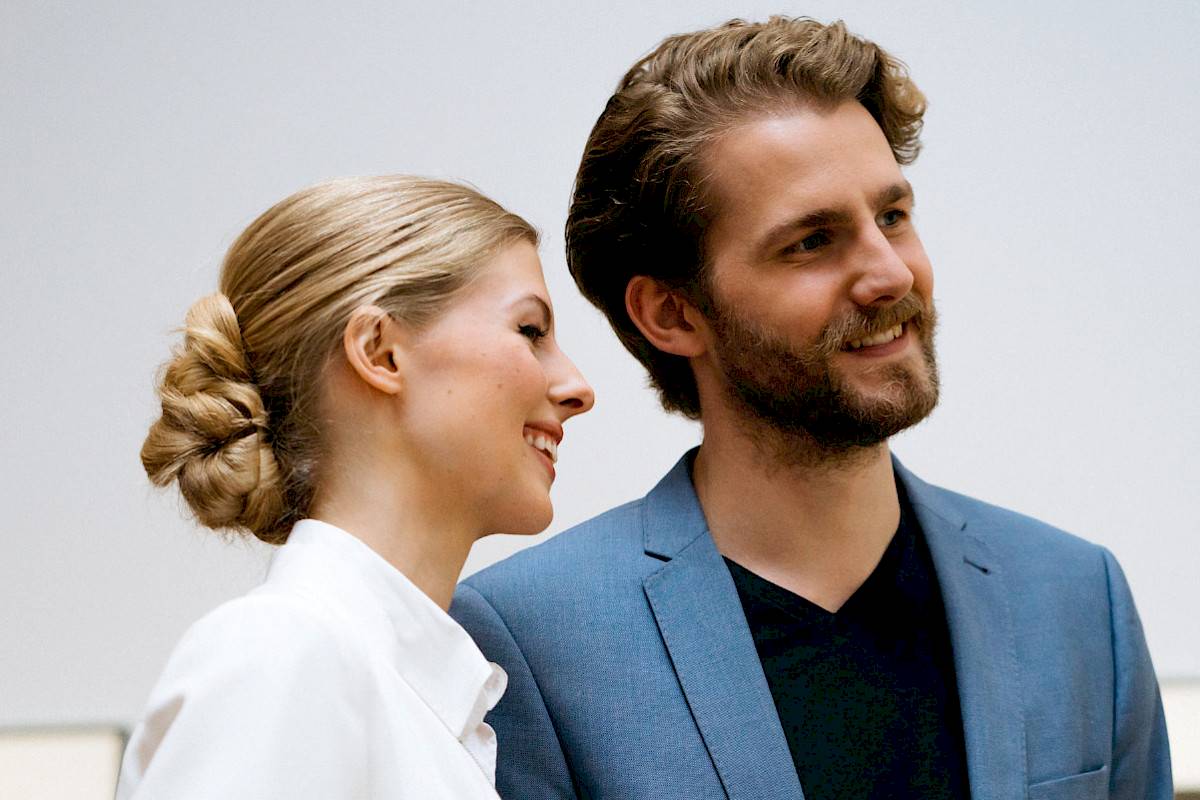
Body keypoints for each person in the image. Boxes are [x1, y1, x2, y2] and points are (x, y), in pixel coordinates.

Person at [451, 17, 1172, 799]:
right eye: (812, 242)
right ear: (672, 313)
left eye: (893, 216)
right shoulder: (524, 640)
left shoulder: (1075, 596)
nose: (890, 273)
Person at [117, 175, 594, 799]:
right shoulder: (284, 655)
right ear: (381, 352)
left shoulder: (419, 701)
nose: (578, 387)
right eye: (530, 331)